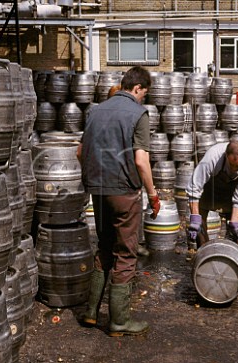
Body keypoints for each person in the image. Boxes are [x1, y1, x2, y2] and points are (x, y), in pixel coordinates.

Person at [77, 66, 160, 336]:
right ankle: (119, 322)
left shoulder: (95, 111)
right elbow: (141, 161)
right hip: (124, 192)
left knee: (103, 245)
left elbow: (79, 151)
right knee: (125, 254)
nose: (143, 98)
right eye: (144, 93)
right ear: (137, 88)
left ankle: (91, 312)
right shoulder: (138, 113)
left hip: (98, 191)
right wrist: (153, 194)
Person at [186, 140, 238, 248]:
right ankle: (203, 253)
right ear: (225, 156)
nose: (233, 169)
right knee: (199, 220)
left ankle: (234, 255)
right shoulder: (212, 157)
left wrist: (234, 222)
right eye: (231, 165)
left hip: (232, 191)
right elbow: (194, 187)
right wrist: (195, 218)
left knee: (236, 224)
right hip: (211, 187)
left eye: (237, 167)